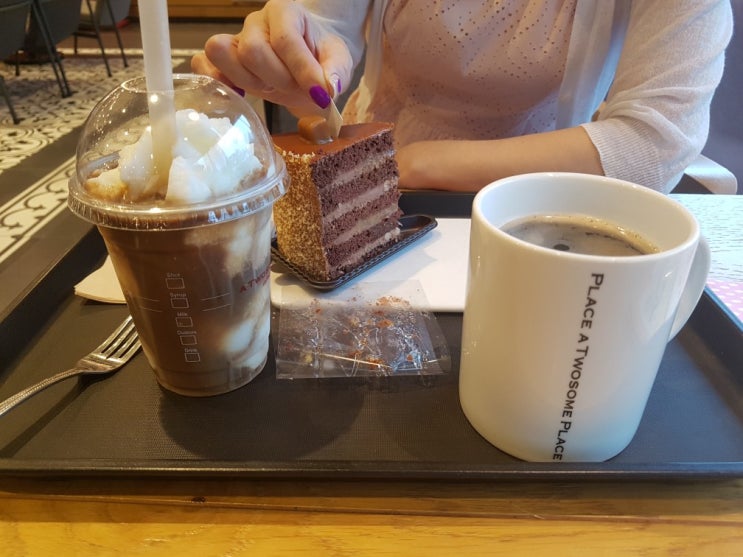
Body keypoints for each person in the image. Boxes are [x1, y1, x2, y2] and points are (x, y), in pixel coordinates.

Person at [192, 0, 733, 193]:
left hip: (539, 197)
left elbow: (654, 144)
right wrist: (299, 52)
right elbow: (324, 21)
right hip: (370, 187)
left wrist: (416, 162)